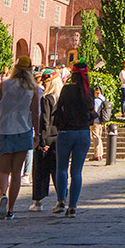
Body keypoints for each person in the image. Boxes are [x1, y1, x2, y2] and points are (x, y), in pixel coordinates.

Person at [0, 55, 40, 220]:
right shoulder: (33, 88)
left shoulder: (6, 84)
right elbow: (35, 113)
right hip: (24, 130)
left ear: (15, 67)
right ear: (30, 69)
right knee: (17, 173)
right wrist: (36, 134)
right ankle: (10, 209)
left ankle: (3, 194)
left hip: (5, 129)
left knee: (3, 171)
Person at [52, 61, 93, 218]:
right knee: (76, 171)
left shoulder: (67, 90)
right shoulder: (89, 91)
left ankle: (60, 202)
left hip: (66, 131)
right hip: (83, 133)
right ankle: (73, 207)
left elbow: (59, 108)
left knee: (61, 168)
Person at [29, 69, 60, 212]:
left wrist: (42, 142)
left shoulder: (46, 98)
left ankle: (38, 201)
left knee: (39, 171)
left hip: (47, 138)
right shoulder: (61, 98)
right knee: (58, 171)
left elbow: (45, 121)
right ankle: (61, 200)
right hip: (59, 138)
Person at [90, 86, 111, 161]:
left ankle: (97, 155)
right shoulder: (104, 99)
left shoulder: (96, 100)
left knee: (96, 137)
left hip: (96, 121)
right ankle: (100, 154)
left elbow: (95, 111)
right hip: (102, 121)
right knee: (99, 137)